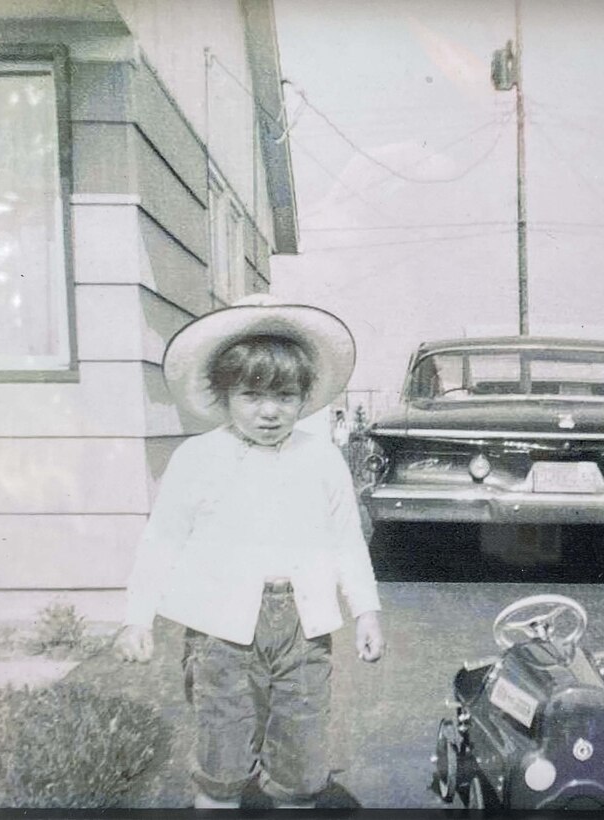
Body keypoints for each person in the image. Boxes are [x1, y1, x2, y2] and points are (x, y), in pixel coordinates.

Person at [114, 294, 384, 809]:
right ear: (223, 394)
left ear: (305, 397)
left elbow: (346, 541)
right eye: (252, 394)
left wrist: (367, 611)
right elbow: (162, 540)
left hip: (305, 631)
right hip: (220, 633)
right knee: (222, 756)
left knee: (301, 760)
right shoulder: (197, 458)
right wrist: (137, 618)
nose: (269, 410)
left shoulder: (322, 459)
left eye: (284, 395)